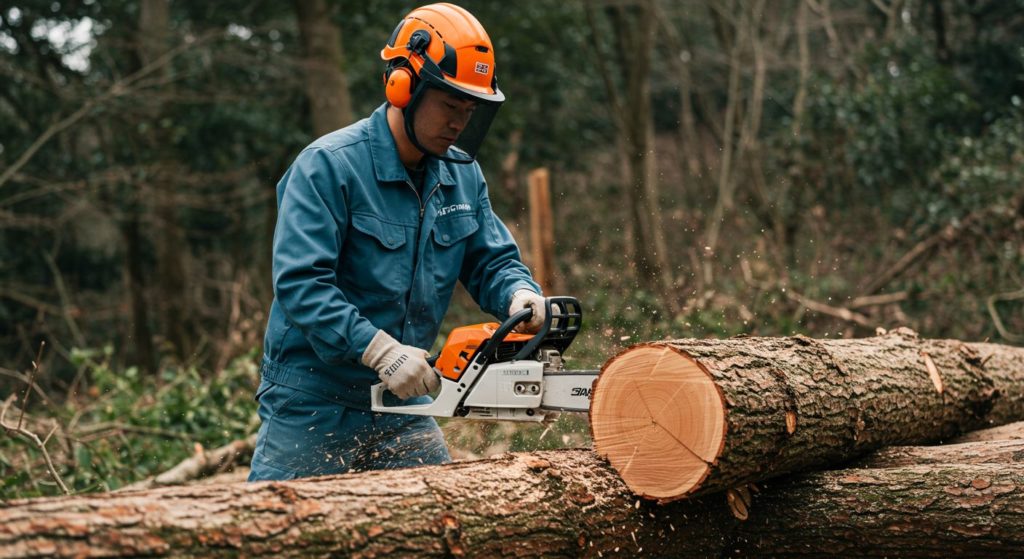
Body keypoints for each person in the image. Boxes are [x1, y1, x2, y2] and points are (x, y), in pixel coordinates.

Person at [248, 3, 550, 481]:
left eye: (468, 111)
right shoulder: (328, 167)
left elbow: (490, 259)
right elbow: (302, 285)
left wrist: (518, 293)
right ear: (403, 86)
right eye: (450, 106)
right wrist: (377, 349)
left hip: (402, 400)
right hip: (314, 400)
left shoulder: (460, 175)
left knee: (440, 525)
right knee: (284, 534)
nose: (459, 123)